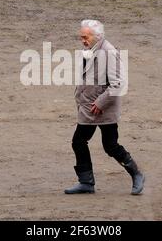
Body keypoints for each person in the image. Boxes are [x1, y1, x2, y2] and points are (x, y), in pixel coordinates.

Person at [64, 19, 145, 195]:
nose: (83, 40)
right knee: (78, 142)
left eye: (86, 37)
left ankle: (137, 174)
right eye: (81, 37)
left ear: (97, 36)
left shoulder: (109, 52)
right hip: (88, 107)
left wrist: (100, 103)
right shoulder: (89, 50)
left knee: (110, 146)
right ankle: (86, 182)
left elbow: (118, 84)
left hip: (103, 109)